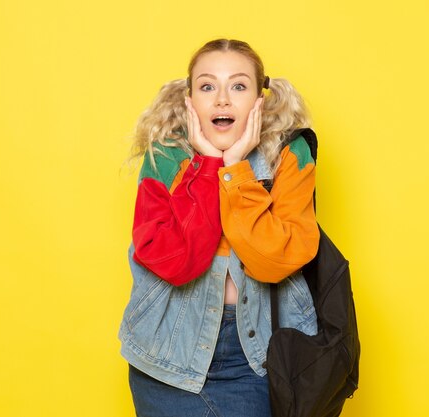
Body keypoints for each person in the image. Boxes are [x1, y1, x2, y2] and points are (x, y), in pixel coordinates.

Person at [118, 39, 320, 417]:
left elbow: (273, 260)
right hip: (166, 353)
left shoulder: (290, 154)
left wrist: (236, 169)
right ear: (190, 101)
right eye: (207, 86)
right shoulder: (165, 156)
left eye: (239, 86)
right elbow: (180, 264)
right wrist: (210, 167)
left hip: (259, 357)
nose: (222, 100)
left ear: (261, 100)